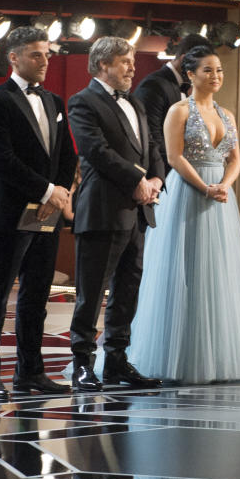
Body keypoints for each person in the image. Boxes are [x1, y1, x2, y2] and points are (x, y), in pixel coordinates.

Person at [127, 46, 240, 384]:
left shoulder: (228, 115)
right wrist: (205, 187)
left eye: (219, 70)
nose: (216, 76)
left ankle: (219, 356)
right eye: (208, 70)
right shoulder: (178, 111)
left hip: (220, 196)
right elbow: (174, 157)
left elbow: (235, 159)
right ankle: (177, 355)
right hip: (187, 194)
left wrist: (224, 184)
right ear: (190, 75)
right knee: (185, 270)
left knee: (218, 272)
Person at [0, 26, 77, 398]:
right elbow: (2, 161)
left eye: (47, 53)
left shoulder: (54, 101)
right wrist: (50, 191)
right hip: (9, 210)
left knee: (37, 293)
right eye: (36, 54)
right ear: (13, 58)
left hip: (47, 210)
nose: (46, 60)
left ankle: (30, 372)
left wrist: (61, 191)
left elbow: (68, 155)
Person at [67, 36, 165, 391]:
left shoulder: (135, 102)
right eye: (125, 62)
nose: (132, 68)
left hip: (138, 212)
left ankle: (117, 363)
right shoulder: (83, 101)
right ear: (103, 64)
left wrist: (155, 178)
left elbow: (152, 145)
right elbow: (96, 150)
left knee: (127, 292)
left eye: (132, 61)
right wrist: (137, 180)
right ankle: (82, 365)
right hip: (103, 211)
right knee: (91, 294)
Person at [132, 33, 211, 174]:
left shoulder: (187, 87)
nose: (204, 75)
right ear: (184, 59)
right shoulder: (154, 85)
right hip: (161, 174)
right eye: (202, 68)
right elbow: (151, 138)